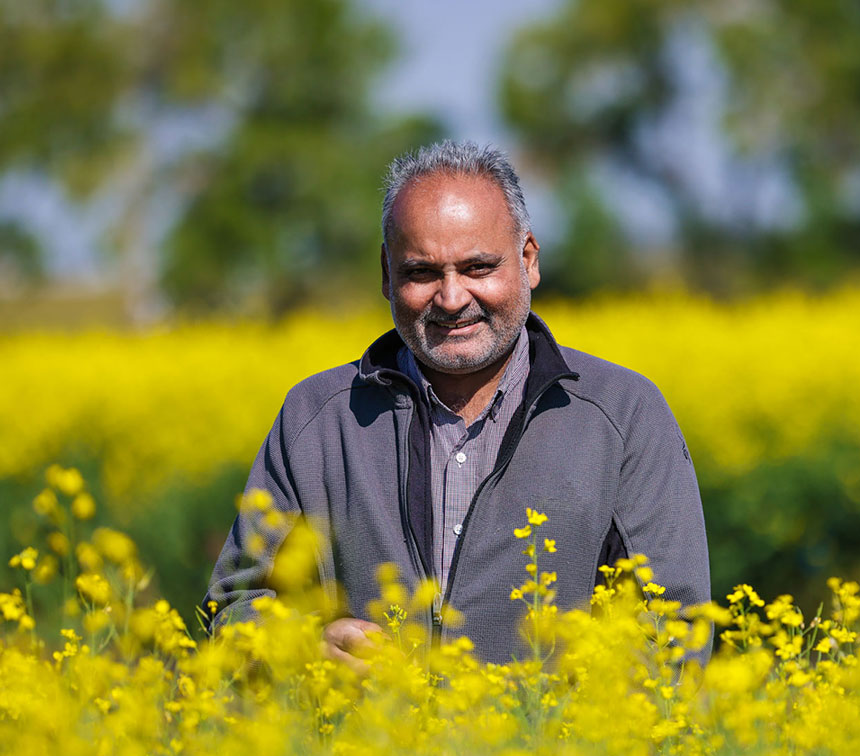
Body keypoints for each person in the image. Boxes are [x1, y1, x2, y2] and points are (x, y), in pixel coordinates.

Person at [203, 140, 712, 668]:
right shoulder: (317, 419)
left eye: (477, 268)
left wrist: (559, 722)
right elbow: (233, 607)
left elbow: (676, 631)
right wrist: (306, 649)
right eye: (422, 272)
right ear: (386, 272)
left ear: (528, 260)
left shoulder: (623, 416)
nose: (451, 298)